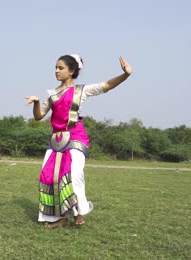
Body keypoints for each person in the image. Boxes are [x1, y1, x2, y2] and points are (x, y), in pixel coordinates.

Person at [25, 54, 132, 228]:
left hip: (75, 137)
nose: (56, 71)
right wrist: (37, 102)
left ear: (72, 71)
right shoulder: (51, 95)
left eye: (61, 68)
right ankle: (60, 218)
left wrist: (125, 75)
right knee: (49, 176)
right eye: (56, 67)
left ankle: (78, 212)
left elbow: (107, 85)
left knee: (73, 175)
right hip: (56, 139)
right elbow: (38, 116)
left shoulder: (82, 91)